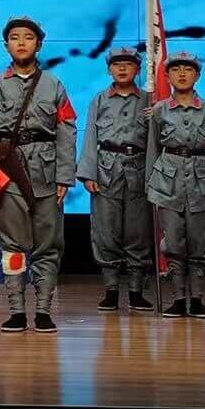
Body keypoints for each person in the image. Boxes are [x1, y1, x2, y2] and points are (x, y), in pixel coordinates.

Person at [0, 15, 76, 333]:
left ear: (39, 45)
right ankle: (17, 310)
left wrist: (65, 176)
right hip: (8, 177)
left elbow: (66, 131)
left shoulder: (54, 85)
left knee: (48, 246)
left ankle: (43, 310)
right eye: (15, 37)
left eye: (28, 37)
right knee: (12, 245)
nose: (21, 42)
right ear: (6, 45)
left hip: (47, 175)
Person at [77, 47, 154, 313]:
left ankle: (136, 291)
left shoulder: (150, 100)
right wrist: (88, 173)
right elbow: (90, 138)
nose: (122, 69)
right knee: (106, 231)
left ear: (137, 69)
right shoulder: (99, 100)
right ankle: (110, 290)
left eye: (128, 64)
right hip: (106, 171)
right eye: (117, 64)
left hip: (139, 171)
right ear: (109, 69)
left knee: (138, 232)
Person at [146, 52, 205, 320]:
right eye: (176, 69)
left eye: (188, 69)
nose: (181, 74)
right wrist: (151, 185)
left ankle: (197, 299)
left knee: (198, 241)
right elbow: (153, 149)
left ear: (197, 75)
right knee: (174, 240)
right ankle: (178, 299)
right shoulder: (159, 110)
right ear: (167, 76)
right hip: (167, 181)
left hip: (200, 180)